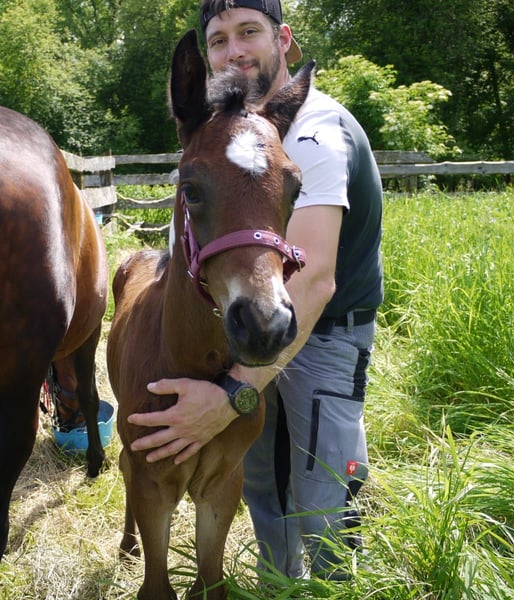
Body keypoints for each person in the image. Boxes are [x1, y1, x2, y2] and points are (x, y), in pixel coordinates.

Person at [127, 0, 384, 580]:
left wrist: (229, 397)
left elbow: (313, 279)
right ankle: (278, 581)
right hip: (257, 319)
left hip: (321, 329)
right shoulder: (230, 132)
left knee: (323, 491)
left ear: (283, 39)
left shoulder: (313, 133)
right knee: (262, 479)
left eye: (249, 32)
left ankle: (333, 586)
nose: (234, 51)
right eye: (218, 40)